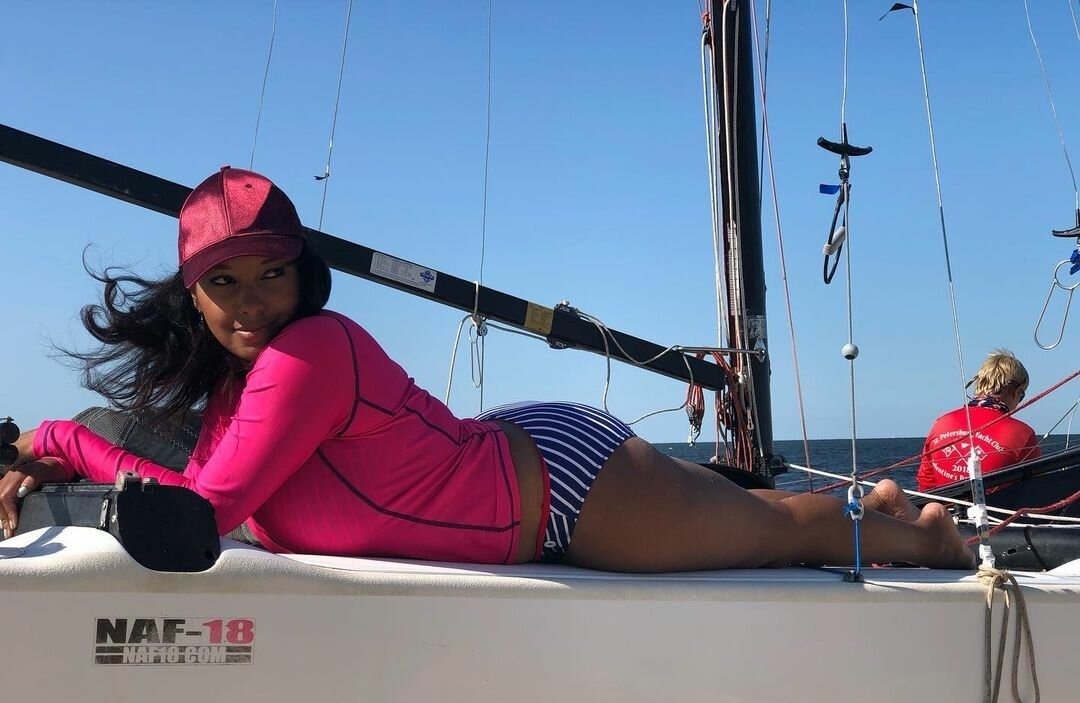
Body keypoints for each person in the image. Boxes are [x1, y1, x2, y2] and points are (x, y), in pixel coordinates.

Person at [0, 166, 975, 571]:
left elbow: (202, 514)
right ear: (193, 294)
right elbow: (189, 495)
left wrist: (63, 440)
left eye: (272, 274)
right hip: (510, 463)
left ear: (303, 275)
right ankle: (887, 500)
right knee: (757, 514)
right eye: (225, 282)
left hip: (567, 493)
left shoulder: (310, 349)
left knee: (786, 533)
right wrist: (56, 451)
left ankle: (928, 534)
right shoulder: (232, 393)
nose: (252, 302)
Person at [915, 350, 1041, 492]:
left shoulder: (942, 423)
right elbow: (1033, 490)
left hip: (940, 506)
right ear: (1016, 392)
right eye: (1021, 395)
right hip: (996, 506)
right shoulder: (1023, 434)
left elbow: (926, 483)